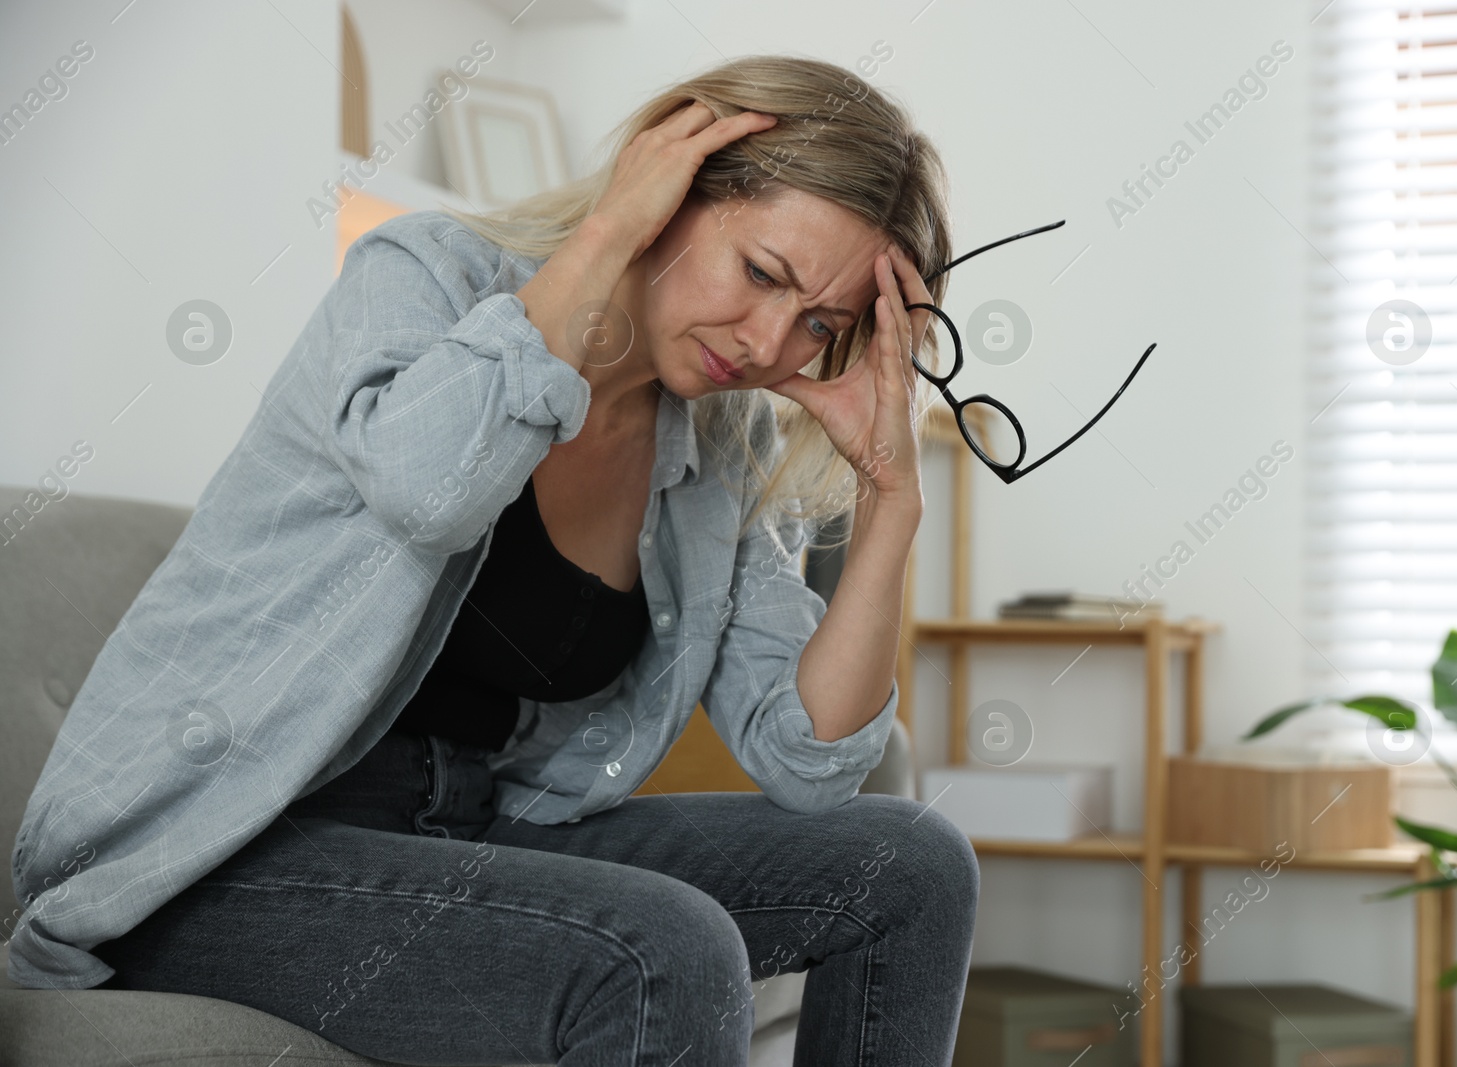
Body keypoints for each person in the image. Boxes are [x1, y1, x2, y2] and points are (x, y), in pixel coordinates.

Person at [8, 54, 979, 1065]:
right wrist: (604, 233)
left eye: (818, 325)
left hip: (473, 827)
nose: (771, 337)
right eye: (762, 274)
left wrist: (890, 499)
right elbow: (430, 490)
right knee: (666, 951)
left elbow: (806, 758)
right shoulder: (425, 277)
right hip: (221, 847)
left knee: (912, 864)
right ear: (673, 192)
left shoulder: (725, 444)